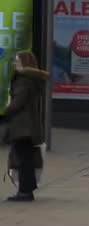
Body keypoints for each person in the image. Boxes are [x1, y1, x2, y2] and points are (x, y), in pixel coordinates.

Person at [1, 52, 49, 202]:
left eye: (17, 61)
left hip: (22, 126)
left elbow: (18, 102)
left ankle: (24, 192)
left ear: (25, 63)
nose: (15, 64)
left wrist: (3, 112)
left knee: (22, 158)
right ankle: (27, 189)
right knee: (25, 157)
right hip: (28, 125)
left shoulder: (23, 80)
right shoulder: (33, 79)